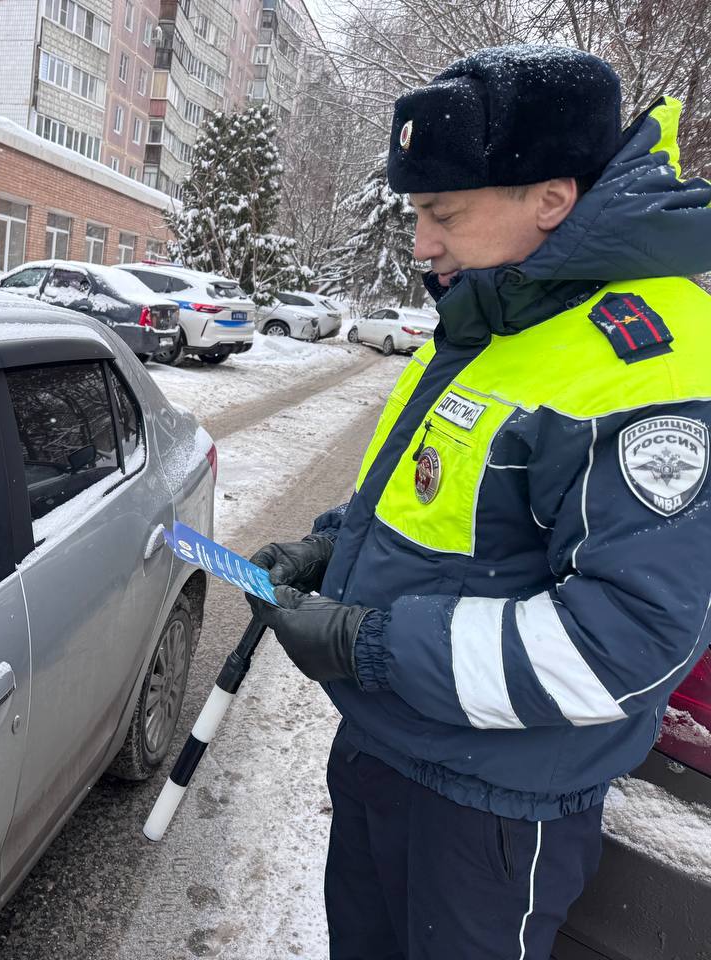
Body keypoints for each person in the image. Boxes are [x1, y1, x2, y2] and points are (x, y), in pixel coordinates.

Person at [248, 46, 711, 960]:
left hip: (495, 806)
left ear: (550, 197)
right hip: (389, 748)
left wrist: (367, 642)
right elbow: (434, 505)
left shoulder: (648, 363)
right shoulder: (489, 316)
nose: (421, 244)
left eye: (442, 213)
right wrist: (329, 549)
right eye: (416, 213)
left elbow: (627, 644)